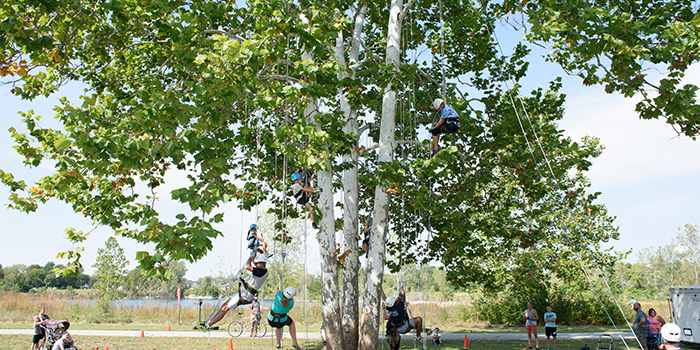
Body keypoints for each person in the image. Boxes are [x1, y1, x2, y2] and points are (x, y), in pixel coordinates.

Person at [199, 239, 270, 329]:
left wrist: (251, 256)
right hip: (243, 293)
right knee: (223, 306)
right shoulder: (262, 270)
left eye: (257, 263)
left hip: (245, 295)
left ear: (261, 263)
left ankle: (208, 325)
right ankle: (208, 322)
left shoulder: (261, 272)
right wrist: (255, 251)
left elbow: (248, 266)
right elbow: (253, 262)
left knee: (225, 309)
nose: (255, 264)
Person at [384, 282, 425, 350]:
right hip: (404, 326)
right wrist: (402, 287)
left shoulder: (388, 309)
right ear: (394, 303)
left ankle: (425, 331)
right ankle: (418, 336)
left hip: (396, 328)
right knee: (419, 320)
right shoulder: (399, 307)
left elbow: (390, 299)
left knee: (417, 325)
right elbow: (403, 296)